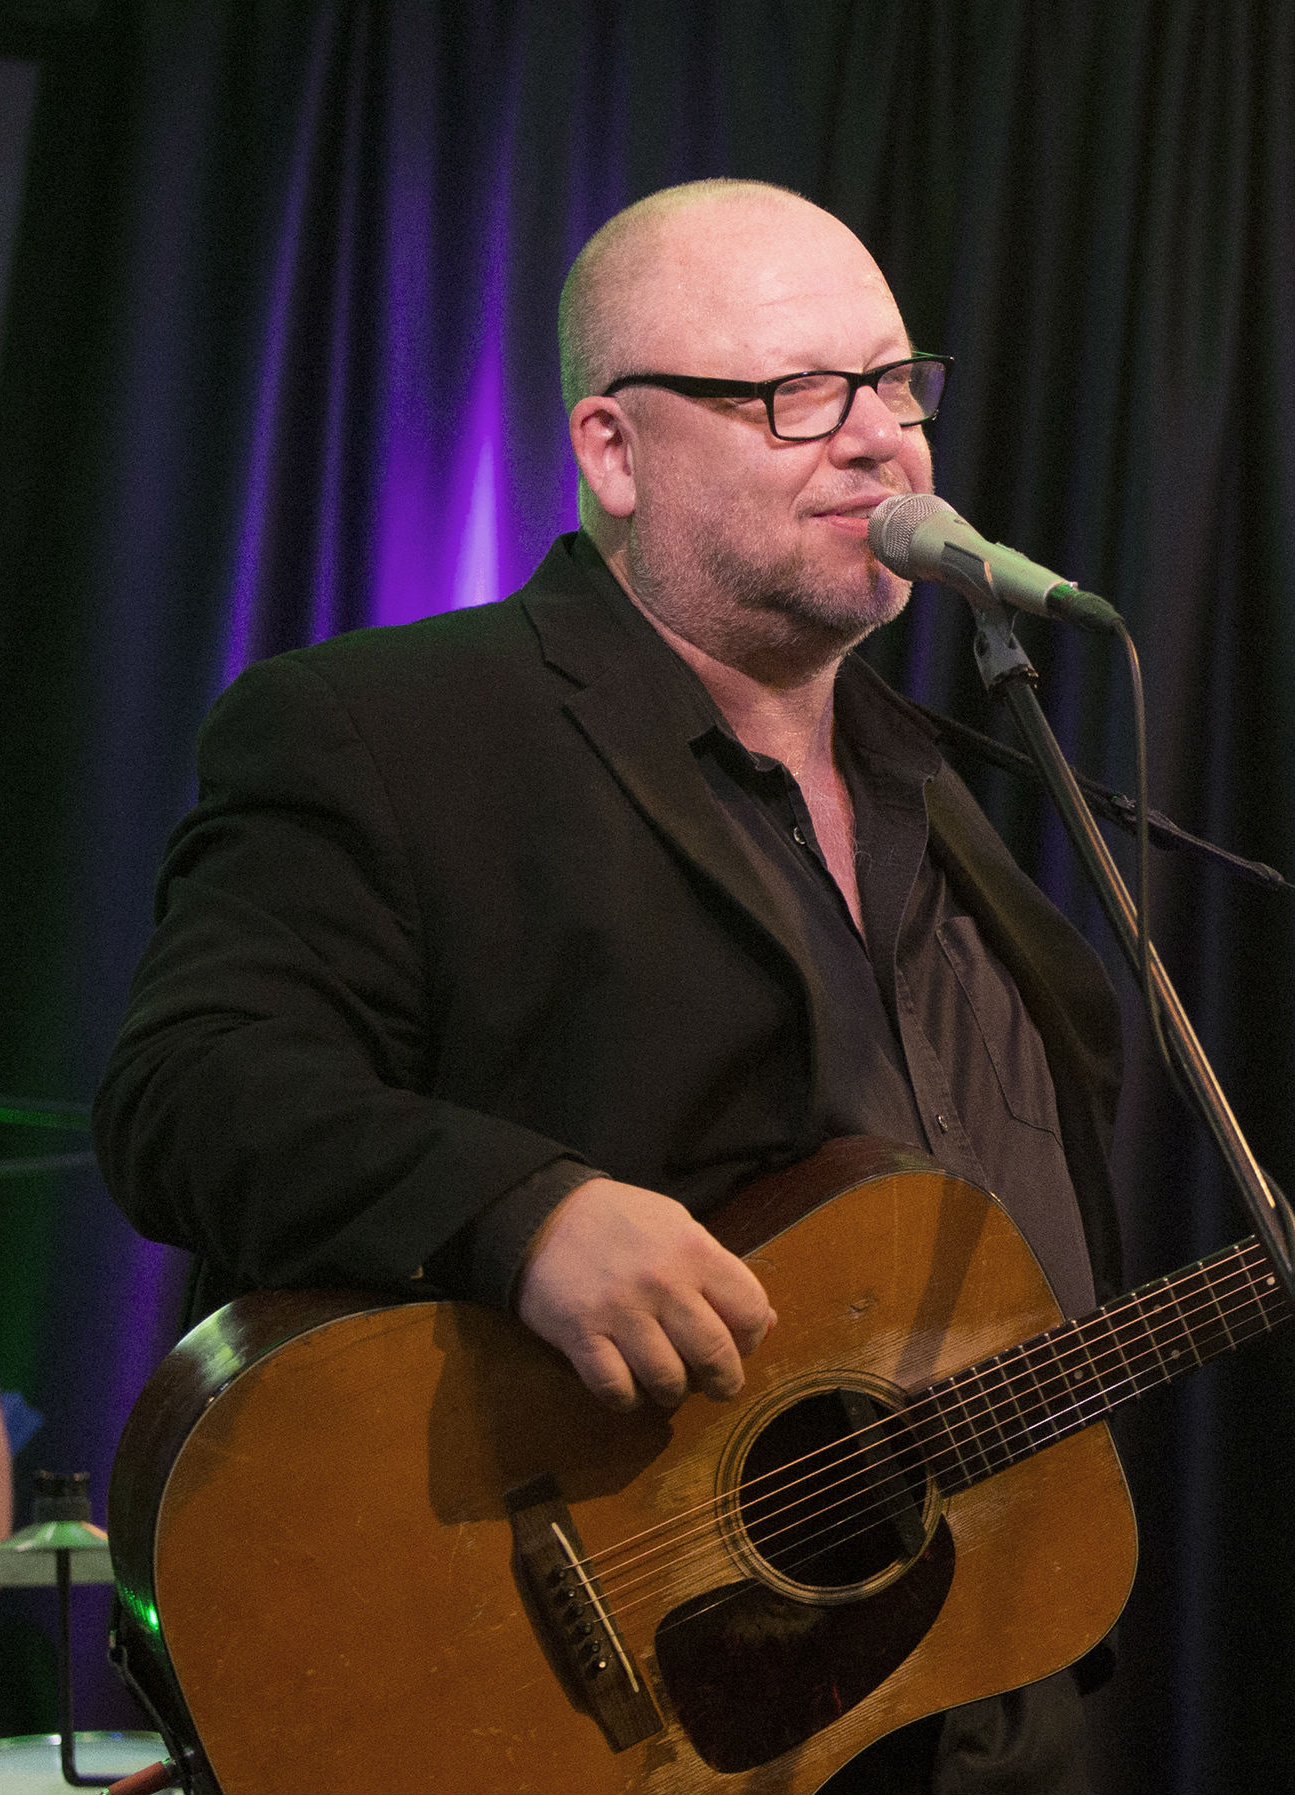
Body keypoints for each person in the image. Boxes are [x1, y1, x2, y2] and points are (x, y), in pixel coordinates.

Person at [95, 179, 1121, 1795]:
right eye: (796, 397)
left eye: (893, 384)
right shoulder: (391, 730)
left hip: (957, 1711)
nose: (877, 440)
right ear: (612, 451)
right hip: (576, 1714)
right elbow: (186, 1092)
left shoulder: (951, 793)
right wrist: (524, 1210)